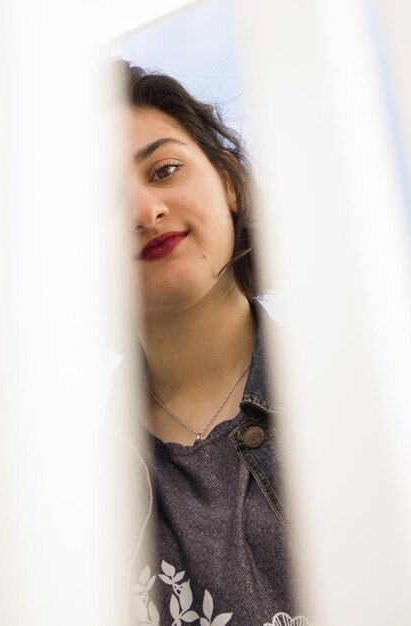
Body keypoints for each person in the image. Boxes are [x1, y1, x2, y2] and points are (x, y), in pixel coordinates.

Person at [114, 62, 312, 626]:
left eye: (164, 169)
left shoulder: (372, 398)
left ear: (228, 181)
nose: (143, 213)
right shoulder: (68, 499)